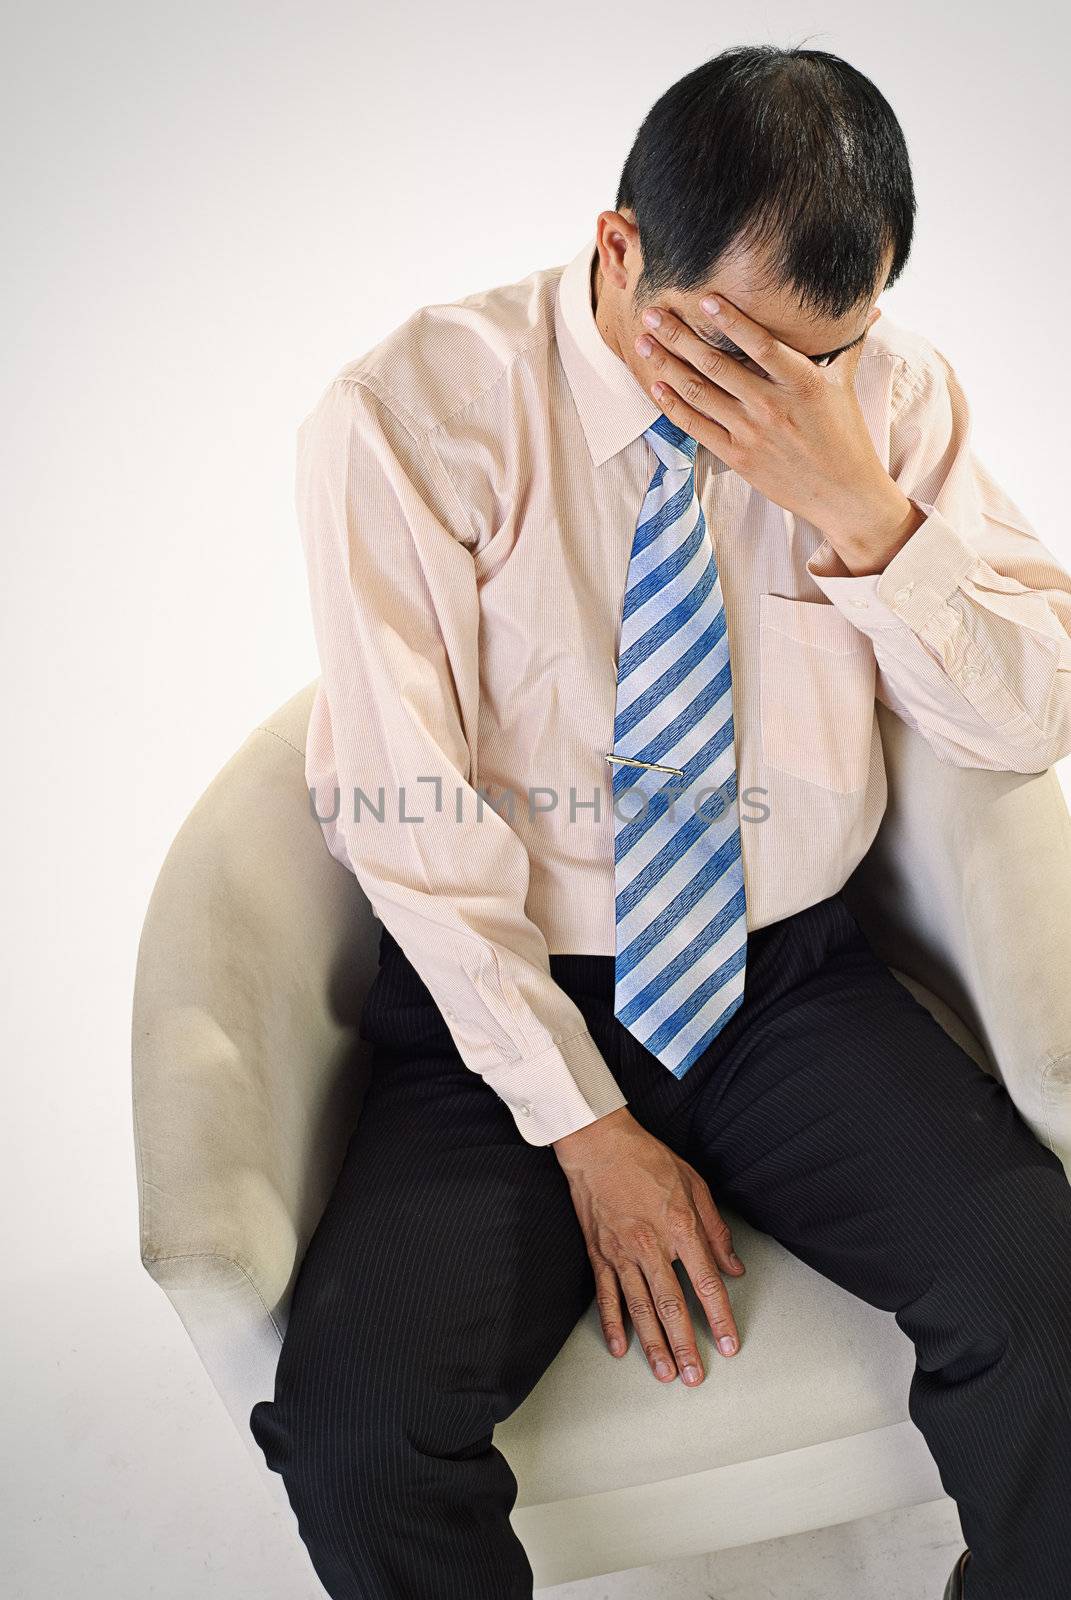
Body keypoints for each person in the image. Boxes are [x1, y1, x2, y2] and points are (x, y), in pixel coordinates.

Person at [249, 42, 1071, 1600]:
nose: (773, 395)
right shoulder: (412, 416)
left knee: (1050, 1316)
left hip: (791, 990)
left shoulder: (883, 406)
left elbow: (1028, 718)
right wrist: (587, 1129)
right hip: (504, 1005)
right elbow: (402, 813)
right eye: (731, 348)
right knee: (359, 1433)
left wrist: (859, 506)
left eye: (822, 355)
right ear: (620, 250)